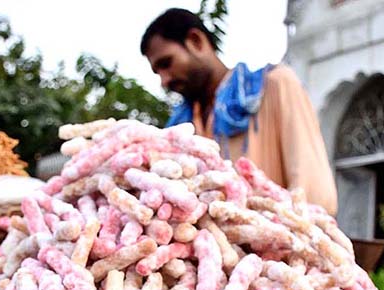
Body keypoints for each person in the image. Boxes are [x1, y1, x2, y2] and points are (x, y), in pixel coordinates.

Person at [141, 8, 337, 215]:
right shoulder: (181, 127)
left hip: (276, 241)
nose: (165, 80)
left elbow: (314, 194)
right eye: (157, 72)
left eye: (166, 63)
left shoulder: (274, 86)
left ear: (196, 41)